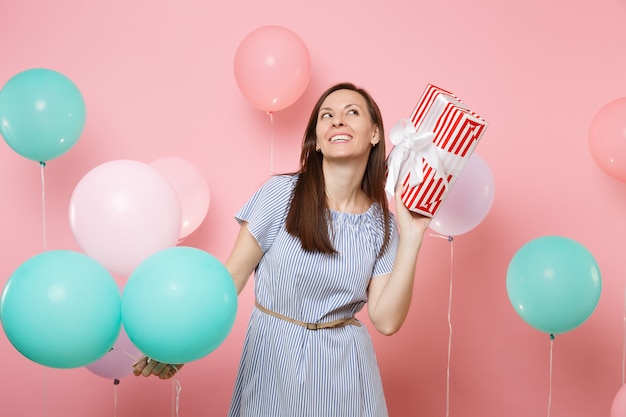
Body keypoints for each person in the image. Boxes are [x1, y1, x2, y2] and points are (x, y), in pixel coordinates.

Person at [133, 82, 431, 416]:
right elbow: (232, 276)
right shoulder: (280, 195)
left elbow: (387, 320)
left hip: (346, 372)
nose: (337, 121)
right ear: (316, 140)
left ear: (375, 134)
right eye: (326, 116)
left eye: (352, 113)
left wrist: (413, 234)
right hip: (273, 360)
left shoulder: (383, 226)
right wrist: (182, 343)